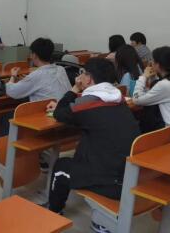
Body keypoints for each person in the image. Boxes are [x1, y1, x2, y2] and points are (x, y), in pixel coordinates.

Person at [46, 58, 140, 223]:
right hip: (130, 174)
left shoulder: (87, 104)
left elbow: (59, 113)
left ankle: (53, 212)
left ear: (89, 78)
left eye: (82, 73)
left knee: (62, 166)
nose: (80, 77)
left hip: (113, 183)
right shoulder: (118, 98)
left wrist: (74, 89)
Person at [5, 37, 71, 102]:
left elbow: (11, 91)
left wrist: (13, 76)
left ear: (34, 55)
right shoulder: (61, 69)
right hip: (65, 107)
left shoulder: (36, 75)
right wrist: (27, 79)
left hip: (47, 108)